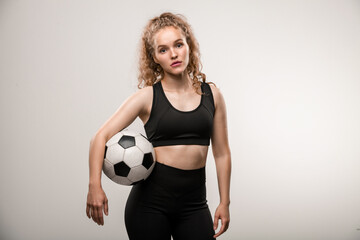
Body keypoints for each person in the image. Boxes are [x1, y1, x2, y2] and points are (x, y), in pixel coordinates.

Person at [86, 12, 231, 240]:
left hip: (194, 204)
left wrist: (224, 201)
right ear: (154, 57)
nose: (173, 54)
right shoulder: (147, 97)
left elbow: (221, 153)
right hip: (149, 206)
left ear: (188, 46)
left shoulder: (212, 95)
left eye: (178, 45)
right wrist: (95, 185)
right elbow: (99, 137)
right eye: (163, 50)